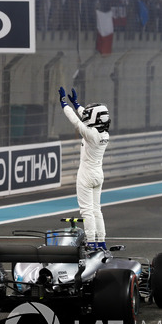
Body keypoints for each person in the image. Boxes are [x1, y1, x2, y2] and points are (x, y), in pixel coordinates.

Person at [58, 87, 110, 251]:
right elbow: (88, 118)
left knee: (87, 211)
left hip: (86, 175)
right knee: (96, 210)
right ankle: (101, 242)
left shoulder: (91, 134)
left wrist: (64, 104)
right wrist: (76, 104)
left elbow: (76, 121)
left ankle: (91, 243)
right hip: (98, 175)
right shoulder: (104, 134)